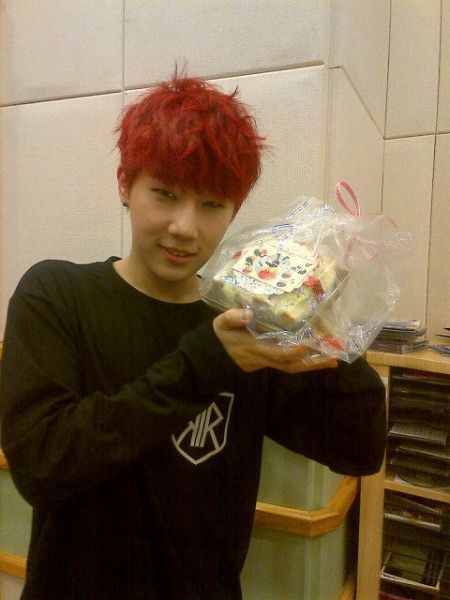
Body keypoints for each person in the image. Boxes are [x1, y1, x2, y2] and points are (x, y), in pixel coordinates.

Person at [0, 73, 386, 600]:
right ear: (125, 184)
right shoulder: (57, 294)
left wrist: (327, 322)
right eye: (165, 194)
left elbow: (359, 448)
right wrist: (206, 360)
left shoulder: (246, 321)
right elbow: (42, 467)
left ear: (235, 210)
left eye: (212, 205)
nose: (185, 227)